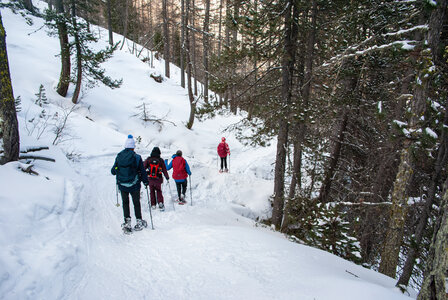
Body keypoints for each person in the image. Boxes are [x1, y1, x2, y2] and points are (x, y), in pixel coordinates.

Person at [111, 134, 149, 233]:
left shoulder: (119, 156)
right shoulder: (137, 157)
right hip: (134, 185)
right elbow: (142, 171)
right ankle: (139, 221)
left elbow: (113, 171)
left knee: (125, 203)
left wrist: (117, 169)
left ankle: (127, 223)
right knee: (136, 202)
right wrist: (145, 181)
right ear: (133, 147)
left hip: (122, 185)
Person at [143, 147, 169, 211]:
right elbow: (164, 170)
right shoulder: (160, 160)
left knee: (151, 191)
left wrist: (144, 176)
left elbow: (143, 168)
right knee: (159, 191)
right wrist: (167, 177)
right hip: (158, 178)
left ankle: (153, 204)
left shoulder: (148, 159)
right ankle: (160, 202)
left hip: (150, 179)